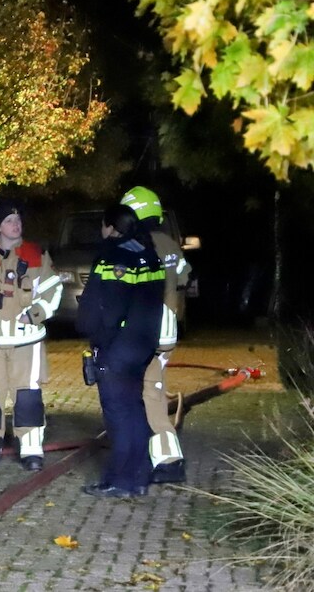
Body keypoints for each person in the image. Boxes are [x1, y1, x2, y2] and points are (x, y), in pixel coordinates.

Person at [0, 201, 62, 472]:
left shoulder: (36, 254)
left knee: (28, 396)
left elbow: (54, 289)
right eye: (8, 220)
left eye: (18, 220)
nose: (15, 224)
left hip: (25, 340)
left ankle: (31, 450)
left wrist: (36, 314)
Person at [76, 204, 165, 498]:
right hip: (143, 346)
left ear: (110, 226)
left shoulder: (112, 255)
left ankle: (119, 480)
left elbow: (104, 306)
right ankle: (139, 477)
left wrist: (95, 336)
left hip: (117, 348)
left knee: (118, 414)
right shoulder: (148, 254)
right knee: (134, 409)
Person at [121, 186, 191, 483]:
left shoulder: (135, 246)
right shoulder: (170, 245)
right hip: (167, 331)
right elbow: (185, 277)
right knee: (151, 391)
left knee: (150, 396)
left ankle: (169, 462)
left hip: (144, 332)